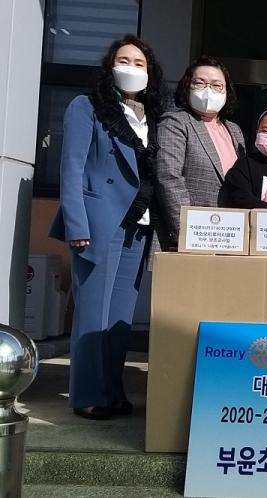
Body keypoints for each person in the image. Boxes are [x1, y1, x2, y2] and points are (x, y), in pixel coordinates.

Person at [49, 35, 165, 420]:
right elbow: (72, 168)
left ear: (150, 72)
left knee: (119, 318)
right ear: (110, 66)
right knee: (92, 314)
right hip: (98, 223)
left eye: (139, 63)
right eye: (124, 60)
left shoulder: (151, 115)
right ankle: (87, 395)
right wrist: (76, 223)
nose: (131, 68)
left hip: (138, 225)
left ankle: (112, 391)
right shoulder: (87, 106)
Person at [155, 56, 245, 249]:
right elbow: (169, 177)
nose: (208, 90)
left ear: (227, 91)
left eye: (216, 85)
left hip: (228, 235)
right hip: (193, 236)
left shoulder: (234, 130)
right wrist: (187, 231)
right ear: (187, 87)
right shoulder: (176, 122)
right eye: (200, 83)